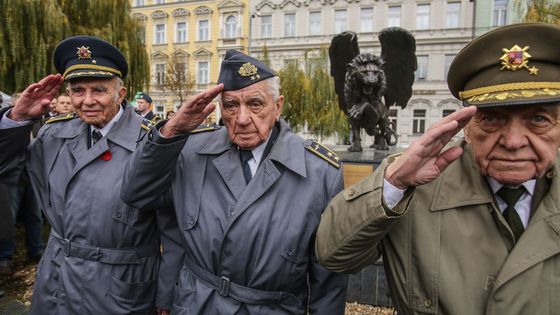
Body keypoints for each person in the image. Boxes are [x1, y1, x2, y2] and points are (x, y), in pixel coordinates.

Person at [315, 22, 560, 314]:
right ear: (467, 126)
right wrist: (392, 183)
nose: (513, 141)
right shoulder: (415, 191)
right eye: (492, 119)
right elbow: (333, 255)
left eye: (539, 120)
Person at [121, 49, 349, 314]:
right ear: (220, 108)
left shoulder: (320, 171)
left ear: (278, 106)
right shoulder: (191, 150)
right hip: (197, 304)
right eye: (230, 105)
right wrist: (171, 131)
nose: (241, 119)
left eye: (255, 104)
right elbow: (136, 194)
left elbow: (329, 279)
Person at [0, 35, 181, 314]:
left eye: (98, 90)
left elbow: (173, 229)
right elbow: (5, 166)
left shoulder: (152, 143)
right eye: (77, 90)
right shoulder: (53, 133)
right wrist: (19, 119)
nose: (87, 101)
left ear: (121, 94)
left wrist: (166, 295)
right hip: (58, 277)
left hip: (120, 287)